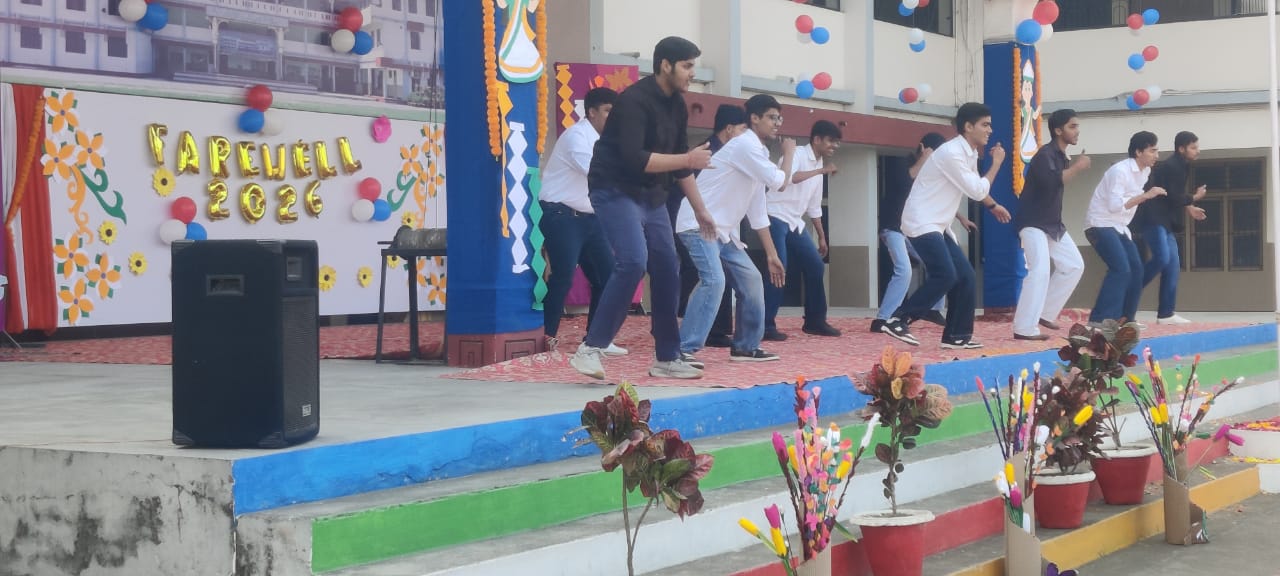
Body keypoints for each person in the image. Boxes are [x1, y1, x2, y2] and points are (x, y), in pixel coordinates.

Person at [570, 36, 716, 380]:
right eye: (687, 66)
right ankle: (590, 348)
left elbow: (680, 165)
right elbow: (636, 159)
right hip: (613, 188)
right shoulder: (633, 101)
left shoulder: (677, 106)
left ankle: (667, 357)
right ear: (665, 65)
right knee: (634, 261)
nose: (692, 73)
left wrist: (701, 210)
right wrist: (688, 159)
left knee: (667, 265)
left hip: (651, 195)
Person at [881, 102, 1011, 349]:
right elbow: (976, 190)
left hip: (938, 224)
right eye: (985, 125)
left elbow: (974, 186)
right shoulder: (951, 153)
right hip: (922, 221)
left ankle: (956, 336)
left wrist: (993, 206)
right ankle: (898, 319)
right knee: (946, 274)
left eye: (990, 125)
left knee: (966, 276)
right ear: (968, 126)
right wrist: (996, 164)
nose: (990, 130)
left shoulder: (968, 153)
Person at [676, 94, 790, 364]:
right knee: (714, 281)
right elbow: (780, 182)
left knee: (752, 280)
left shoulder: (758, 153)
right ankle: (682, 349)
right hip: (698, 225)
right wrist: (789, 153)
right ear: (754, 119)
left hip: (723, 233)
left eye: (779, 118)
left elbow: (757, 211)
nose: (777, 123)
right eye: (772, 117)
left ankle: (745, 347)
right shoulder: (744, 146)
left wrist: (772, 254)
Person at [538, 87, 628, 356]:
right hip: (561, 215)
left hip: (590, 217)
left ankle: (596, 339)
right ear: (592, 112)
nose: (614, 117)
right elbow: (597, 173)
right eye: (608, 111)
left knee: (608, 276)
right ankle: (546, 337)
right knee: (563, 276)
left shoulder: (609, 141)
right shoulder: (577, 137)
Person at [671, 105, 747, 348]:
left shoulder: (731, 153)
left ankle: (715, 330)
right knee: (706, 276)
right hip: (690, 221)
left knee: (711, 275)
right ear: (729, 128)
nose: (746, 136)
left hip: (712, 225)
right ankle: (682, 333)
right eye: (743, 130)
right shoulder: (706, 152)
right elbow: (682, 186)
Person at [1010, 109, 1090, 341]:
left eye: (1077, 126)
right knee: (1040, 271)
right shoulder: (1045, 155)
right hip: (1033, 222)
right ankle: (1024, 328)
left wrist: (1073, 165)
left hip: (1052, 223)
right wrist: (1078, 167)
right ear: (1058, 130)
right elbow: (1052, 182)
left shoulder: (1060, 155)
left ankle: (1045, 312)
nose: (1077, 131)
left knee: (1074, 265)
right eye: (1072, 126)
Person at [761, 119, 842, 340]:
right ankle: (765, 326)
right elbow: (790, 178)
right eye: (831, 141)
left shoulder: (819, 164)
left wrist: (822, 237)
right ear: (816, 139)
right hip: (774, 215)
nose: (834, 146)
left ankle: (815, 321)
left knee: (816, 265)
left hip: (795, 222)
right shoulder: (796, 154)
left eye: (837, 143)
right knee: (779, 268)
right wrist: (822, 170)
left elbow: (814, 207)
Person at [872, 132, 957, 334]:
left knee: (939, 264)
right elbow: (905, 181)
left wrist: (961, 218)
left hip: (912, 229)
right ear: (922, 148)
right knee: (904, 270)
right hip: (892, 228)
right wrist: (925, 159)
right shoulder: (901, 165)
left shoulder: (930, 173)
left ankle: (933, 309)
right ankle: (883, 318)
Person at [1084, 131, 1166, 327]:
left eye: (1157, 151)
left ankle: (1126, 319)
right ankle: (1100, 319)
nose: (1156, 155)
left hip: (1119, 227)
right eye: (1152, 150)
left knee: (1136, 269)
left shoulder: (1145, 172)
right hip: (1100, 224)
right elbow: (1115, 206)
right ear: (1138, 152)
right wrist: (1146, 196)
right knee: (1120, 268)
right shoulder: (1119, 171)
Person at [1134, 131, 1208, 325]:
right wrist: (1194, 197)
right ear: (1181, 148)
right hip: (1152, 218)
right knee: (1161, 258)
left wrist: (1190, 207)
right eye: (1193, 147)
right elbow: (1174, 196)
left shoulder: (1181, 165)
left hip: (1165, 220)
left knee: (1172, 264)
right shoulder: (1172, 166)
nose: (1197, 151)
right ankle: (1126, 298)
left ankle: (1166, 314)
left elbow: (1174, 194)